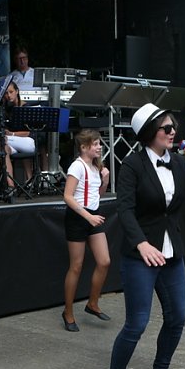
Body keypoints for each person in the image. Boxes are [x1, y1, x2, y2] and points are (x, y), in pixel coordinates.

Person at [104, 103, 185, 369]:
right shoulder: (133, 165)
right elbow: (124, 210)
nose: (172, 132)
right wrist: (141, 243)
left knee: (177, 316)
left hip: (171, 252)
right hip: (141, 255)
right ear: (150, 133)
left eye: (173, 126)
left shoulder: (178, 163)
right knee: (137, 323)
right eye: (166, 128)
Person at [62, 129, 111, 332]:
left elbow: (96, 195)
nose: (100, 147)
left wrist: (105, 180)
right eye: (96, 144)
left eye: (99, 143)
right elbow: (68, 196)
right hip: (78, 217)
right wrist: (87, 216)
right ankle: (68, 312)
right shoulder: (77, 166)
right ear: (84, 147)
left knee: (104, 261)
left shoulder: (95, 167)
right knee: (76, 266)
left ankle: (92, 303)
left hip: (93, 214)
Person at [0, 81, 36, 192]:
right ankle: (11, 185)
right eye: (5, 93)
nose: (8, 95)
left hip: (28, 141)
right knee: (3, 148)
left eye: (11, 92)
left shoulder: (25, 107)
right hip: (13, 142)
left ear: (17, 91)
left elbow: (28, 132)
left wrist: (11, 133)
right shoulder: (6, 109)